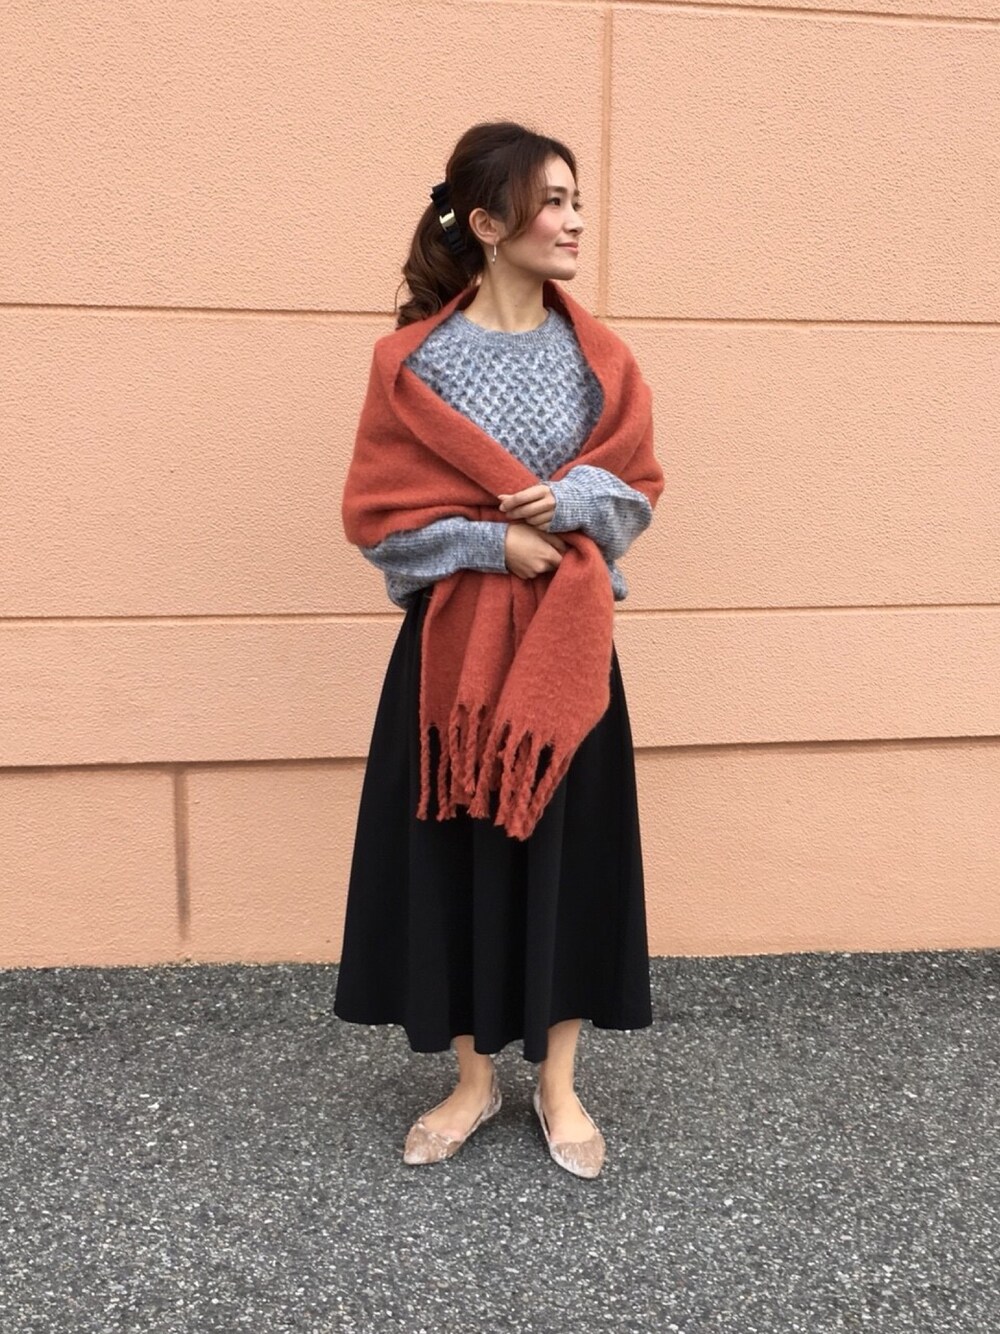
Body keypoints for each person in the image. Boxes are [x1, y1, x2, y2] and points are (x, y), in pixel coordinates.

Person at [334, 121, 663, 1179]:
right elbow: (378, 517)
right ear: (485, 222)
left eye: (576, 200)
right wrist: (493, 542)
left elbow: (636, 489)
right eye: (552, 202)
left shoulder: (602, 359)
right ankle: (474, 1080)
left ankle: (559, 1084)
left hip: (568, 645)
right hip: (453, 661)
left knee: (570, 855)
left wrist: (573, 500)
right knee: (458, 853)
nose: (573, 221)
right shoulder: (412, 364)